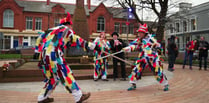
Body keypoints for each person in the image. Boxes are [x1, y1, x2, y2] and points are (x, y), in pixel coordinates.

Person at [33, 12, 92, 103]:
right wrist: (90, 46)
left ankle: (42, 97)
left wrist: (36, 51)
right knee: (66, 74)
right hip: (55, 55)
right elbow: (76, 39)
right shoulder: (66, 30)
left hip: (44, 57)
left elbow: (39, 37)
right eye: (71, 25)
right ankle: (78, 96)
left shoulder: (50, 30)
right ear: (67, 24)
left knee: (52, 79)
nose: (71, 27)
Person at [123, 23, 169, 91]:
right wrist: (126, 48)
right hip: (143, 58)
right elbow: (133, 46)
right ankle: (133, 84)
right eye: (139, 33)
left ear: (145, 33)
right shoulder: (139, 40)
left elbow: (159, 47)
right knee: (136, 70)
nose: (139, 34)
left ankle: (165, 84)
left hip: (152, 58)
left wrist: (155, 47)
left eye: (141, 33)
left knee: (158, 71)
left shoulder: (151, 39)